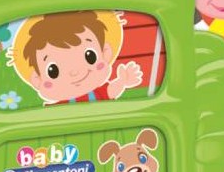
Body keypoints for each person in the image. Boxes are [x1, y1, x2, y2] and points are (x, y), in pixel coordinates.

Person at [10, 10, 142, 104]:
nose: (74, 72)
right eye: (53, 71)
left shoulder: (98, 93)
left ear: (105, 53)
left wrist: (123, 81)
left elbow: (111, 91)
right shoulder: (58, 108)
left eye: (90, 57)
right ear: (37, 80)